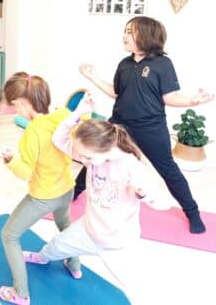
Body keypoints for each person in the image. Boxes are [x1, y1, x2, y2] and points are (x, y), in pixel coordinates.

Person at [23, 94, 170, 304]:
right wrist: (78, 113)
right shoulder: (93, 157)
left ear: (106, 149)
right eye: (81, 155)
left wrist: (146, 193)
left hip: (117, 244)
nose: (82, 160)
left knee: (136, 289)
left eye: (87, 157)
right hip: (87, 230)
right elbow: (58, 140)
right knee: (55, 245)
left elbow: (164, 203)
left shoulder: (132, 167)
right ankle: (41, 258)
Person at [77, 16, 214, 233]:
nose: (125, 35)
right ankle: (75, 191)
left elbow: (170, 97)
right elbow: (116, 92)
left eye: (130, 31)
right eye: (125, 30)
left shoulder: (163, 65)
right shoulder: (125, 64)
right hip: (119, 125)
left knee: (168, 171)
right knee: (95, 158)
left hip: (151, 128)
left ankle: (192, 212)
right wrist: (93, 77)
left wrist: (191, 101)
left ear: (147, 36)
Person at [0, 72, 78, 305]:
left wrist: (9, 158)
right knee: (64, 223)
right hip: (66, 189)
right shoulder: (63, 115)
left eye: (14, 107)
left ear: (20, 103)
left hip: (44, 196)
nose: (15, 111)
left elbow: (26, 173)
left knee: (9, 236)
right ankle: (74, 265)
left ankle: (20, 294)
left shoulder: (32, 133)